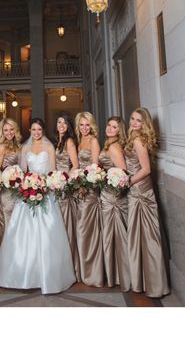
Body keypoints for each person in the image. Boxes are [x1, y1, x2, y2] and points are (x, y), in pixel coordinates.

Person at [0, 118, 76, 294]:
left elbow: (52, 170)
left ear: (43, 131)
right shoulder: (25, 147)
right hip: (28, 190)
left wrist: (43, 185)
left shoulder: (49, 147)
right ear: (29, 130)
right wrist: (28, 184)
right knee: (23, 234)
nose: (36, 133)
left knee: (48, 232)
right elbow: (23, 170)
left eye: (39, 130)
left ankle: (48, 275)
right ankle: (22, 274)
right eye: (34, 129)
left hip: (45, 191)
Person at [125, 107, 170, 297]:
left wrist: (127, 182)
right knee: (139, 236)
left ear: (145, 124)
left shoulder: (138, 140)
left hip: (140, 191)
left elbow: (146, 169)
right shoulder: (134, 137)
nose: (134, 123)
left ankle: (154, 284)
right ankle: (144, 280)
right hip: (138, 189)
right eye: (132, 119)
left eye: (139, 120)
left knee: (147, 236)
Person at [99, 116, 131, 290]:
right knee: (111, 235)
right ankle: (116, 273)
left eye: (114, 127)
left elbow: (123, 173)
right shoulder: (109, 144)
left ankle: (122, 275)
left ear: (120, 131)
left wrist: (111, 186)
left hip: (113, 196)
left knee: (116, 235)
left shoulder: (114, 147)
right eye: (109, 125)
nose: (110, 129)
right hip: (106, 192)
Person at [74, 111, 105, 287]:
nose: (84, 128)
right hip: (79, 189)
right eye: (81, 125)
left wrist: (85, 185)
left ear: (91, 125)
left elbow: (95, 167)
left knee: (86, 229)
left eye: (87, 125)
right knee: (80, 229)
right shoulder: (79, 140)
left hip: (90, 189)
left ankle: (92, 272)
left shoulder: (93, 141)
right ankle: (82, 269)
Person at [54, 113, 81, 281]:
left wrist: (63, 180)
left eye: (64, 123)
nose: (61, 125)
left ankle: (70, 266)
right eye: (59, 122)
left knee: (66, 224)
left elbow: (75, 165)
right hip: (56, 186)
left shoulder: (69, 141)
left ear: (68, 125)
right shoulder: (57, 141)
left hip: (64, 187)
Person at [0, 118, 21, 249]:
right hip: (7, 193)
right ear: (2, 132)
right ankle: (7, 252)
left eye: (11, 129)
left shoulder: (18, 145)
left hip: (19, 191)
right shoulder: (1, 147)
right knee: (8, 222)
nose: (9, 132)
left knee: (18, 223)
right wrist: (8, 179)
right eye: (5, 130)